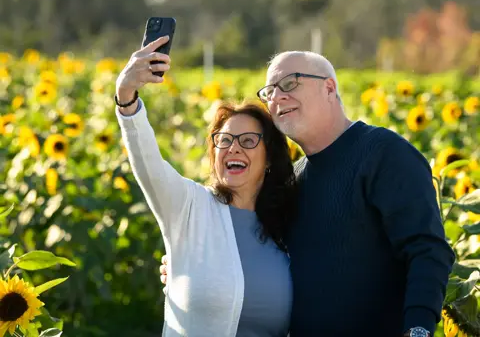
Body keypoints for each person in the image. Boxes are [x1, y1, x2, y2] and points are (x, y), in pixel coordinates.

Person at [162, 50, 456, 337]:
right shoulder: (292, 179)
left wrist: (418, 330)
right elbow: (259, 251)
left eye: (290, 84)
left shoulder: (383, 154)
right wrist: (190, 266)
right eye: (270, 92)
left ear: (329, 87)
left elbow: (427, 249)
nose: (277, 97)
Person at [114, 35, 297, 337]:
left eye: (248, 141)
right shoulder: (188, 207)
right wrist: (127, 97)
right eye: (224, 140)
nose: (234, 148)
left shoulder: (289, 226)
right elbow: (148, 162)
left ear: (269, 157)